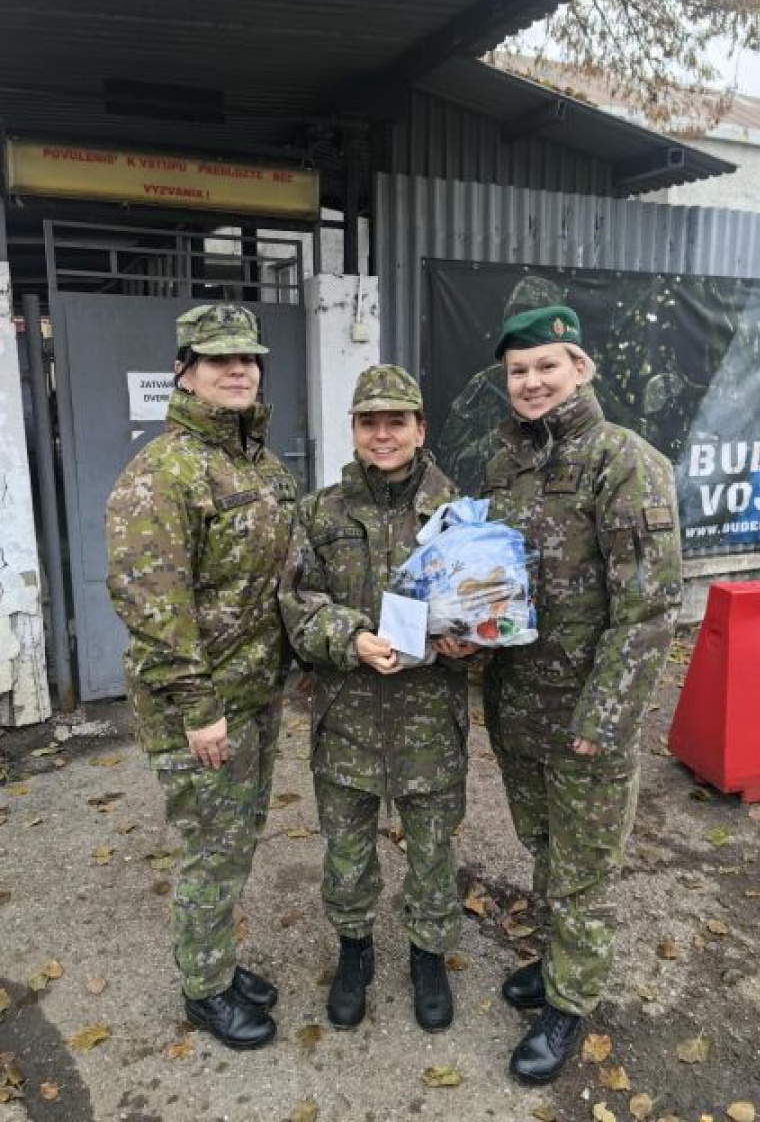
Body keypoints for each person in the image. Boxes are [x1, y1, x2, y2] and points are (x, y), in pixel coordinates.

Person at [481, 305, 682, 1085]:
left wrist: (604, 716)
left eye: (546, 367)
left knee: (584, 870)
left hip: (584, 717)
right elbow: (493, 582)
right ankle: (557, 960)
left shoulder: (623, 461)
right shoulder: (506, 465)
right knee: (544, 847)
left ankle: (570, 1001)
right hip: (517, 707)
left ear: (580, 368)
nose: (531, 383)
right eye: (518, 371)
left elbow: (648, 608)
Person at [105, 303, 297, 1050]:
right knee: (213, 848)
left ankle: (216, 962)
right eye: (220, 359)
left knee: (237, 839)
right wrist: (197, 704)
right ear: (185, 372)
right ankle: (205, 991)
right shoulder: (164, 472)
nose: (238, 370)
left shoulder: (260, 466)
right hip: (204, 706)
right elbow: (153, 604)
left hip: (254, 694)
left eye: (248, 358)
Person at [279, 365, 472, 1033]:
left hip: (429, 717)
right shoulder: (319, 512)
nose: (382, 434)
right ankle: (354, 949)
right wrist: (351, 637)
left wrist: (471, 642)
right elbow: (298, 604)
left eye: (397, 421)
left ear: (420, 429)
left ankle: (428, 955)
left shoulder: (458, 514)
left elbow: (488, 604)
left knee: (432, 847)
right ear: (354, 429)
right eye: (370, 422)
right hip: (347, 716)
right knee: (347, 847)